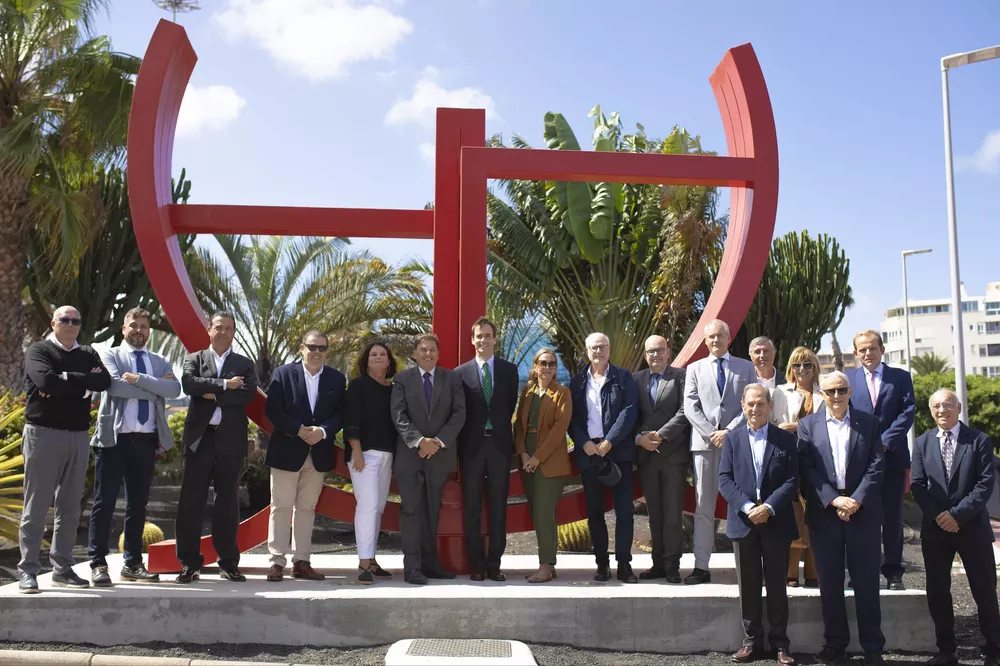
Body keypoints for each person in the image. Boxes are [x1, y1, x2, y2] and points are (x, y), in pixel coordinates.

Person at [18, 306, 111, 594]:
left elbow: (104, 381)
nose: (70, 324)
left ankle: (62, 567)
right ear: (53, 323)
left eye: (75, 321)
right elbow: (44, 381)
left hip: (78, 436)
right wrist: (83, 385)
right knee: (36, 506)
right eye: (64, 320)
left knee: (70, 507)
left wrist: (65, 380)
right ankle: (28, 570)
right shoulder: (39, 351)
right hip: (43, 435)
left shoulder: (88, 353)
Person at [798, 371, 885, 666]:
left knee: (867, 581)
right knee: (830, 582)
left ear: (849, 392)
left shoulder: (869, 423)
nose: (836, 396)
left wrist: (856, 500)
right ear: (821, 394)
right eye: (830, 391)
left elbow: (876, 466)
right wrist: (834, 499)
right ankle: (835, 643)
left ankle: (873, 646)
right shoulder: (807, 426)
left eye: (841, 390)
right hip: (825, 512)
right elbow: (807, 469)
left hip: (863, 513)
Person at [89, 307, 180, 587]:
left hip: (145, 441)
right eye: (133, 325)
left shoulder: (159, 360)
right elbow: (115, 388)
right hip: (114, 440)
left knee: (137, 505)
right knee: (104, 502)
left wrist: (139, 379)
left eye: (144, 325)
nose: (138, 330)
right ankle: (98, 563)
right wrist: (155, 388)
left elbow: (175, 390)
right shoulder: (110, 355)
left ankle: (131, 563)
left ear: (149, 330)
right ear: (123, 329)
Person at [911, 389, 1000, 666]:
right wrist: (940, 515)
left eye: (947, 405)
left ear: (958, 407)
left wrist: (957, 515)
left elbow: (985, 484)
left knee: (984, 591)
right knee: (938, 592)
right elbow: (917, 484)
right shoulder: (923, 442)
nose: (941, 410)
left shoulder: (979, 441)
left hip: (972, 527)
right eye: (936, 406)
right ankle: (947, 651)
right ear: (931, 411)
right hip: (935, 531)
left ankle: (994, 650)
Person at [175, 312, 258, 584]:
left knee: (227, 503)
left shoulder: (244, 364)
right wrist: (225, 385)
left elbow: (246, 395)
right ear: (209, 330)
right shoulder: (194, 359)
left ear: (234, 332)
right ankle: (189, 563)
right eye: (218, 327)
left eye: (229, 328)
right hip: (200, 439)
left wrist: (208, 391)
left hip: (230, 440)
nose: (223, 332)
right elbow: (188, 385)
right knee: (191, 502)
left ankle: (228, 563)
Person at [718, 384, 799, 666]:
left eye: (760, 404)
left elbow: (792, 481)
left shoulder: (785, 440)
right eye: (750, 404)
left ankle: (781, 644)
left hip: (776, 521)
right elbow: (724, 480)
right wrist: (749, 507)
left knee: (777, 584)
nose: (755, 409)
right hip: (744, 522)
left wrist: (769, 507)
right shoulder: (733, 439)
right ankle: (752, 642)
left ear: (770, 407)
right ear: (743, 405)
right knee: (748, 586)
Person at [263, 331, 345, 582]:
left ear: (327, 351)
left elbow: (342, 413)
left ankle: (301, 562)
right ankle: (277, 562)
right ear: (302, 348)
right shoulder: (283, 374)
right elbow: (273, 410)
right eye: (312, 347)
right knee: (281, 507)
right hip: (286, 451)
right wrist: (298, 430)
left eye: (322, 348)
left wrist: (322, 431)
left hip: (319, 452)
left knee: (307, 509)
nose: (317, 352)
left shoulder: (336, 378)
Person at [682, 318, 757, 584]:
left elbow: (750, 404)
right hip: (705, 445)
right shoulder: (694, 369)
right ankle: (701, 566)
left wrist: (728, 432)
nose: (715, 340)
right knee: (704, 506)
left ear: (729, 338)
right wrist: (711, 434)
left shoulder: (746, 368)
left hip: (737, 444)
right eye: (711, 337)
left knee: (743, 502)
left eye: (720, 336)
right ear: (705, 341)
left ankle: (746, 565)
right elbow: (690, 406)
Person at [390, 333, 466, 585]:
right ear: (415, 353)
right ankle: (412, 568)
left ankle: (430, 565)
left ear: (438, 353)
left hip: (440, 457)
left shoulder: (452, 378)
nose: (428, 354)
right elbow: (399, 415)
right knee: (411, 512)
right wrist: (420, 441)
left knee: (433, 512)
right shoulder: (402, 380)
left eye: (433, 350)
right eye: (423, 350)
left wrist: (437, 443)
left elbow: (458, 414)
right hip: (410, 457)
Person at [847, 329, 914, 590]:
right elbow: (846, 416)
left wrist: (884, 443)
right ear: (855, 353)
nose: (867, 353)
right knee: (861, 518)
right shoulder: (849, 380)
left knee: (893, 519)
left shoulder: (900, 378)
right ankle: (863, 571)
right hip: (861, 462)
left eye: (872, 348)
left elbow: (907, 413)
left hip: (893, 459)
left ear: (882, 350)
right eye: (862, 349)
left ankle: (893, 572)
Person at [569, 332, 639, 583]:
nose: (598, 351)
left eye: (602, 347)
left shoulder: (623, 378)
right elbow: (572, 419)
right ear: (586, 351)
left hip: (617, 453)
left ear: (609, 349)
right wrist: (584, 442)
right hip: (590, 455)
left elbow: (629, 411)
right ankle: (601, 564)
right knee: (595, 513)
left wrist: (611, 440)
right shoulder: (577, 382)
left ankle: (624, 565)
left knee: (624, 512)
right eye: (593, 348)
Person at [456, 317, 519, 582]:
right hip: (471, 450)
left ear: (495, 339)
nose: (483, 340)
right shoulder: (460, 373)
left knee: (497, 508)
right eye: (478, 336)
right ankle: (477, 565)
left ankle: (494, 564)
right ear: (472, 340)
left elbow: (509, 406)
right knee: (471, 508)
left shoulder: (509, 370)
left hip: (500, 448)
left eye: (488, 335)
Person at [632, 335, 689, 583]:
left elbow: (686, 410)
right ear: (645, 355)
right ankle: (657, 563)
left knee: (673, 513)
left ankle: (672, 565)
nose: (655, 355)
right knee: (654, 513)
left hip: (673, 455)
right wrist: (638, 438)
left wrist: (661, 435)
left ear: (668, 352)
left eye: (660, 350)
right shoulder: (636, 380)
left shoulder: (680, 376)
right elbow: (629, 414)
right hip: (646, 457)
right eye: (650, 351)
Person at [514, 348, 572, 584]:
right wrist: (524, 453)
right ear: (535, 366)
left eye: (552, 364)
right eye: (543, 363)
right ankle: (550, 564)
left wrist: (537, 457)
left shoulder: (562, 393)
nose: (547, 367)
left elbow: (560, 430)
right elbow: (518, 426)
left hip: (550, 464)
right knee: (537, 514)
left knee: (544, 515)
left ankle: (545, 566)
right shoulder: (527, 392)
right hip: (528, 463)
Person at [345, 340, 398, 584]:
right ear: (366, 360)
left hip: (387, 456)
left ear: (389, 361)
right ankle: (363, 563)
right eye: (373, 354)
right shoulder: (358, 386)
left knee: (378, 508)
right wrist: (356, 450)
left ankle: (372, 559)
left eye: (382, 354)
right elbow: (351, 419)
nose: (378, 357)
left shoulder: (394, 389)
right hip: (364, 455)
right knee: (367, 506)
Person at [771, 346, 824, 588]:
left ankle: (813, 573)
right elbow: (774, 425)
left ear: (815, 368)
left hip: (818, 460)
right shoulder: (780, 393)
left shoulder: (825, 394)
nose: (802, 369)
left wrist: (797, 427)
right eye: (796, 365)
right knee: (792, 513)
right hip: (788, 459)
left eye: (807, 364)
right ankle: (790, 573)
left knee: (815, 514)